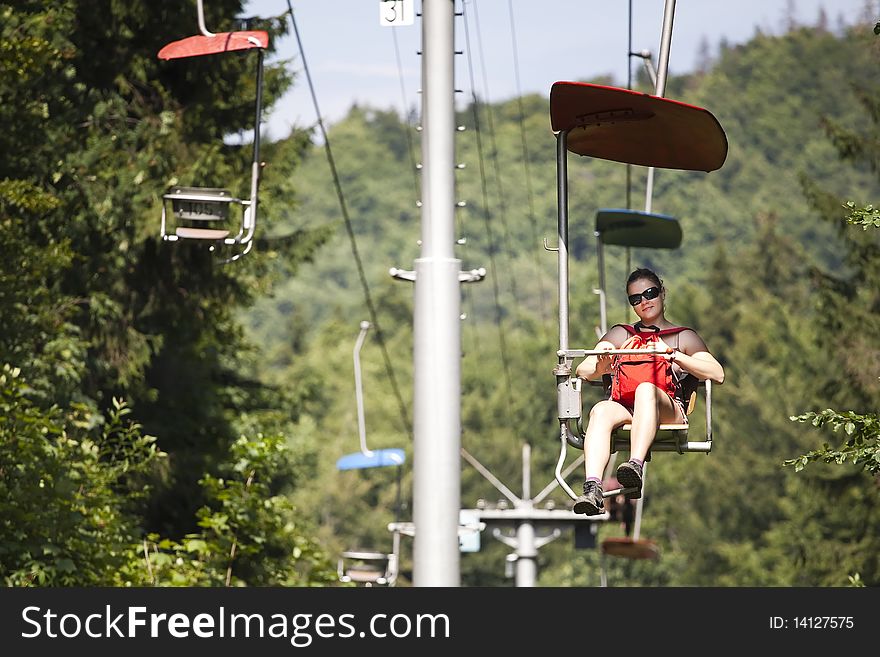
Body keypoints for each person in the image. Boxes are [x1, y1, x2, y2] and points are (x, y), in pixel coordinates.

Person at [572, 267, 724, 515]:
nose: (644, 302)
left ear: (662, 293)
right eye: (636, 299)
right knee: (600, 410)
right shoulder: (622, 334)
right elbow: (584, 369)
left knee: (646, 390)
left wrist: (674, 356)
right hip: (627, 408)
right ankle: (593, 487)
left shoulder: (681, 337)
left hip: (666, 408)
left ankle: (635, 465)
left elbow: (717, 374)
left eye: (650, 293)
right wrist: (601, 363)